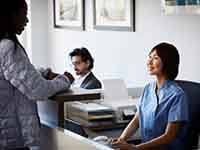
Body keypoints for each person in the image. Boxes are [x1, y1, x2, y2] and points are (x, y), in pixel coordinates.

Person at [0, 0, 74, 150]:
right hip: (10, 138)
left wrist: (44, 73)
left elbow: (16, 73)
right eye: (24, 15)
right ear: (12, 15)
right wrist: (65, 79)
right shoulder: (8, 47)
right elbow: (38, 90)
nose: (26, 20)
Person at [112, 43, 189, 150]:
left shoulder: (177, 95)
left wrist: (135, 148)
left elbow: (169, 136)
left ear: (167, 62)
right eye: (150, 57)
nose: (149, 61)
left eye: (155, 58)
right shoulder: (148, 88)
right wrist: (121, 140)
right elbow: (137, 120)